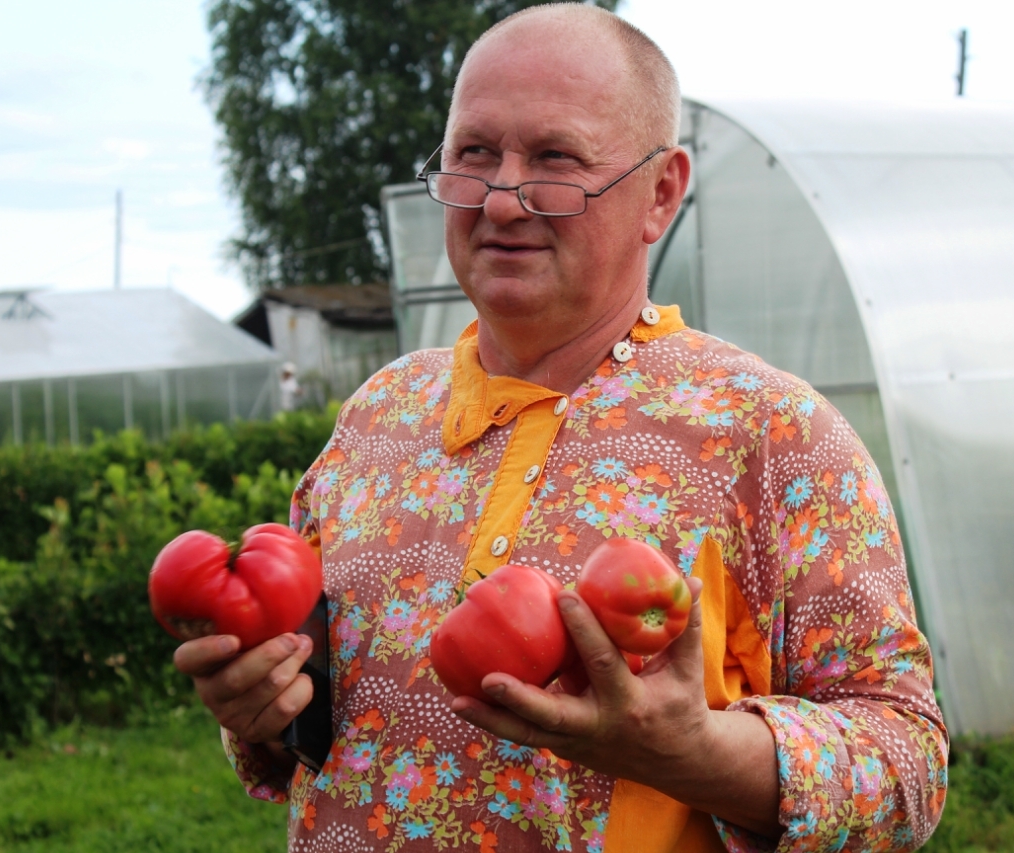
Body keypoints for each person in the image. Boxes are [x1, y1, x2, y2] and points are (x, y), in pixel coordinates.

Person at [174, 5, 948, 851]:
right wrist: (262, 709)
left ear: (660, 193)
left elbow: (907, 762)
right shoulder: (379, 415)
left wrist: (699, 755)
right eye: (475, 152)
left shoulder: (769, 433)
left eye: (555, 158)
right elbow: (314, 718)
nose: (503, 198)